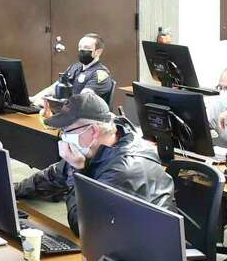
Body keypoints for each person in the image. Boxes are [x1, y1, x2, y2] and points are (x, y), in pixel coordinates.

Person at [13, 90, 174, 236]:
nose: (63, 137)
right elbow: (54, 175)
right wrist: (14, 190)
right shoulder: (95, 148)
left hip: (148, 251)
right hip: (117, 239)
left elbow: (83, 226)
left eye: (68, 131)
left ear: (93, 131)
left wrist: (76, 171)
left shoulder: (124, 170)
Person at [34, 33, 113, 115]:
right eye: (80, 47)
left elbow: (83, 100)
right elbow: (55, 87)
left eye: (86, 48)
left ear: (98, 52)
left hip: (88, 119)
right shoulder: (75, 67)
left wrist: (51, 106)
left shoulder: (101, 74)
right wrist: (34, 99)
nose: (81, 50)